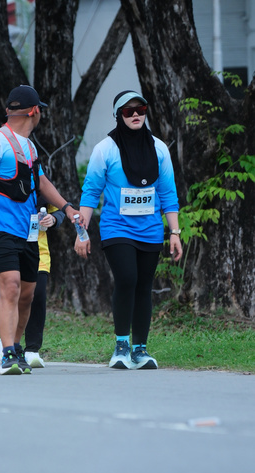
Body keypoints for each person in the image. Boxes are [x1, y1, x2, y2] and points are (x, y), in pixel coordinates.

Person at [0, 86, 85, 375]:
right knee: (11, 286)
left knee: (28, 294)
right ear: (34, 111)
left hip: (28, 231)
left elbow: (41, 183)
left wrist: (67, 208)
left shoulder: (29, 147)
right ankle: (7, 353)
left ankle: (16, 348)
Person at [75, 90, 183, 370]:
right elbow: (91, 193)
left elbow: (168, 194)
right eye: (128, 111)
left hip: (150, 229)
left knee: (144, 286)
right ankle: (121, 345)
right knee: (127, 278)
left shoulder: (159, 149)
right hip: (117, 227)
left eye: (140, 109)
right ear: (118, 115)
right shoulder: (105, 149)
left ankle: (140, 349)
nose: (135, 115)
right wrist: (81, 233)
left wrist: (174, 233)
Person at [0, 204, 64, 368]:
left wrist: (53, 219)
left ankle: (32, 348)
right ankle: (9, 345)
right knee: (10, 294)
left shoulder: (41, 188)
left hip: (36, 247)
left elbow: (60, 209)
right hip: (4, 244)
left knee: (36, 294)